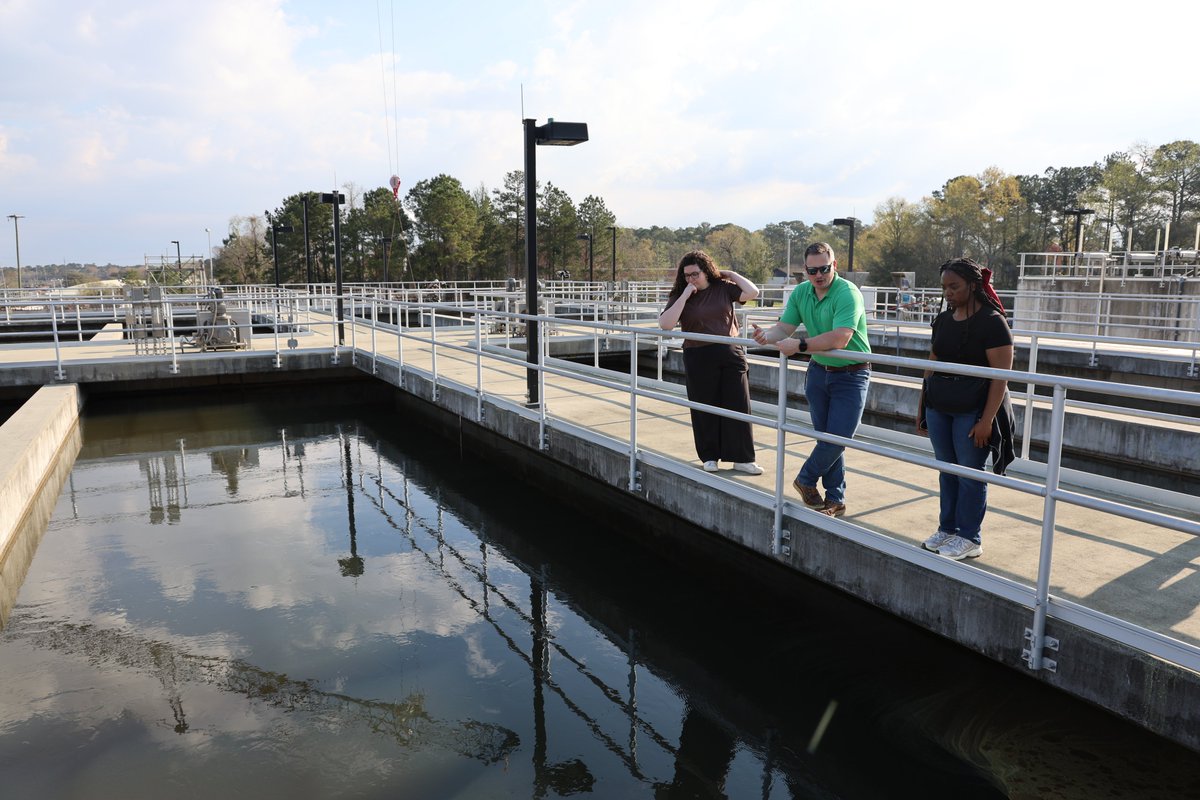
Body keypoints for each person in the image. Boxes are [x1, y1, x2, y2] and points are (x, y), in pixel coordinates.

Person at [751, 242, 871, 517]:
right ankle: (835, 500)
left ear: (834, 266)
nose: (819, 275)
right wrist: (765, 337)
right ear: (804, 270)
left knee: (838, 438)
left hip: (851, 374)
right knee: (826, 439)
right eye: (812, 270)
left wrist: (800, 346)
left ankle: (805, 478)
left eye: (824, 269)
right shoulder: (802, 292)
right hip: (819, 373)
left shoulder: (847, 293)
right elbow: (784, 327)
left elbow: (841, 337)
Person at [917, 257, 1015, 560]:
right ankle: (947, 528)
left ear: (973, 286)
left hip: (972, 410)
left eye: (954, 286)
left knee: (969, 473)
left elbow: (1001, 376)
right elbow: (931, 365)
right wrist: (923, 408)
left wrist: (987, 421)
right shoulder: (944, 319)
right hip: (940, 407)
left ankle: (970, 537)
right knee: (946, 471)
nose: (948, 292)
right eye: (945, 287)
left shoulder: (992, 322)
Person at [659, 250, 763, 475]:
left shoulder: (723, 288)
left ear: (706, 271)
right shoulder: (680, 294)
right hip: (698, 355)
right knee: (704, 406)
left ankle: (743, 458)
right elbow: (665, 324)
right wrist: (686, 294)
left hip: (730, 352)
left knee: (739, 404)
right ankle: (709, 457)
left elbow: (752, 292)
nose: (691, 279)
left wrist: (731, 273)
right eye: (686, 275)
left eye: (695, 274)